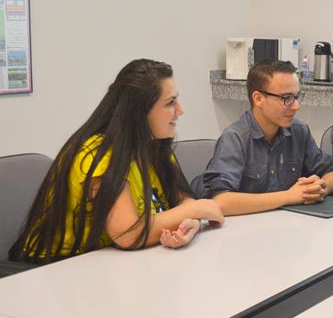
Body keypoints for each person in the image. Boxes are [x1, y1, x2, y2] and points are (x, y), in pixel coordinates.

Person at [9, 59, 224, 264]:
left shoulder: (155, 146)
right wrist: (196, 211)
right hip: (58, 266)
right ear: (139, 111)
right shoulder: (97, 153)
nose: (180, 110)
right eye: (170, 103)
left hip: (114, 262)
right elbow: (128, 233)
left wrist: (190, 223)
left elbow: (184, 201)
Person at [194, 59, 333, 215]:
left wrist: (319, 188)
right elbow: (221, 201)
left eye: (297, 97)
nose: (296, 106)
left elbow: (332, 173)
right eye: (286, 98)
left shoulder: (299, 131)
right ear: (258, 98)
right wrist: (288, 197)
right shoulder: (235, 138)